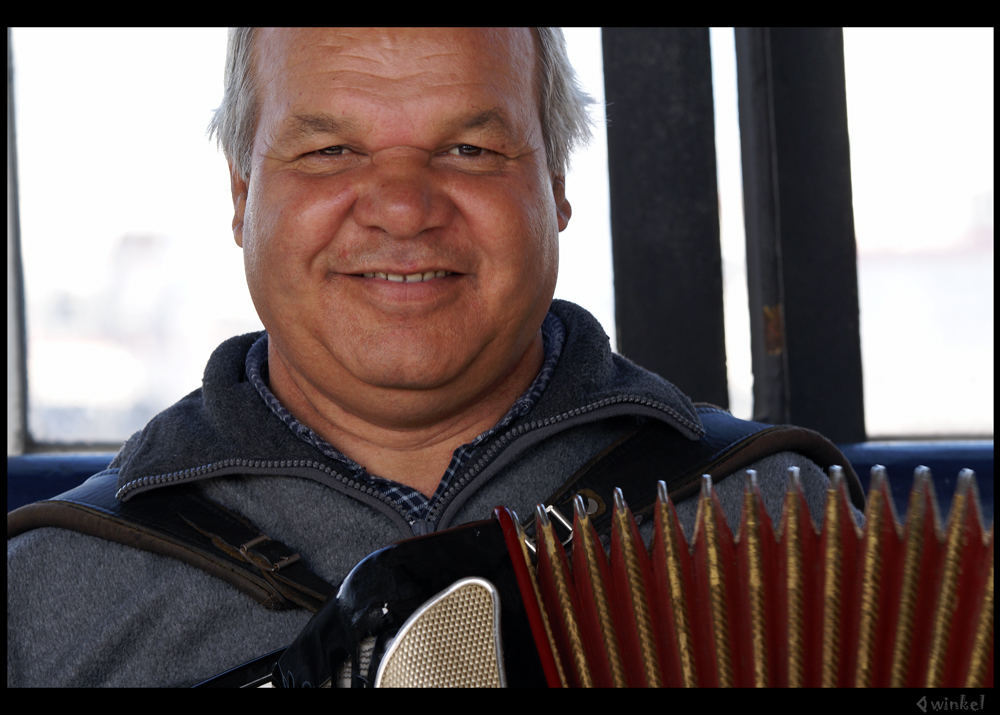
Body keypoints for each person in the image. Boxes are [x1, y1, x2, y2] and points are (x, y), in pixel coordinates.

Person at [7, 27, 861, 687]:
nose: (404, 208)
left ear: (557, 185)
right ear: (242, 195)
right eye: (330, 150)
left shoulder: (780, 517)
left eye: (469, 149)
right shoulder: (50, 589)